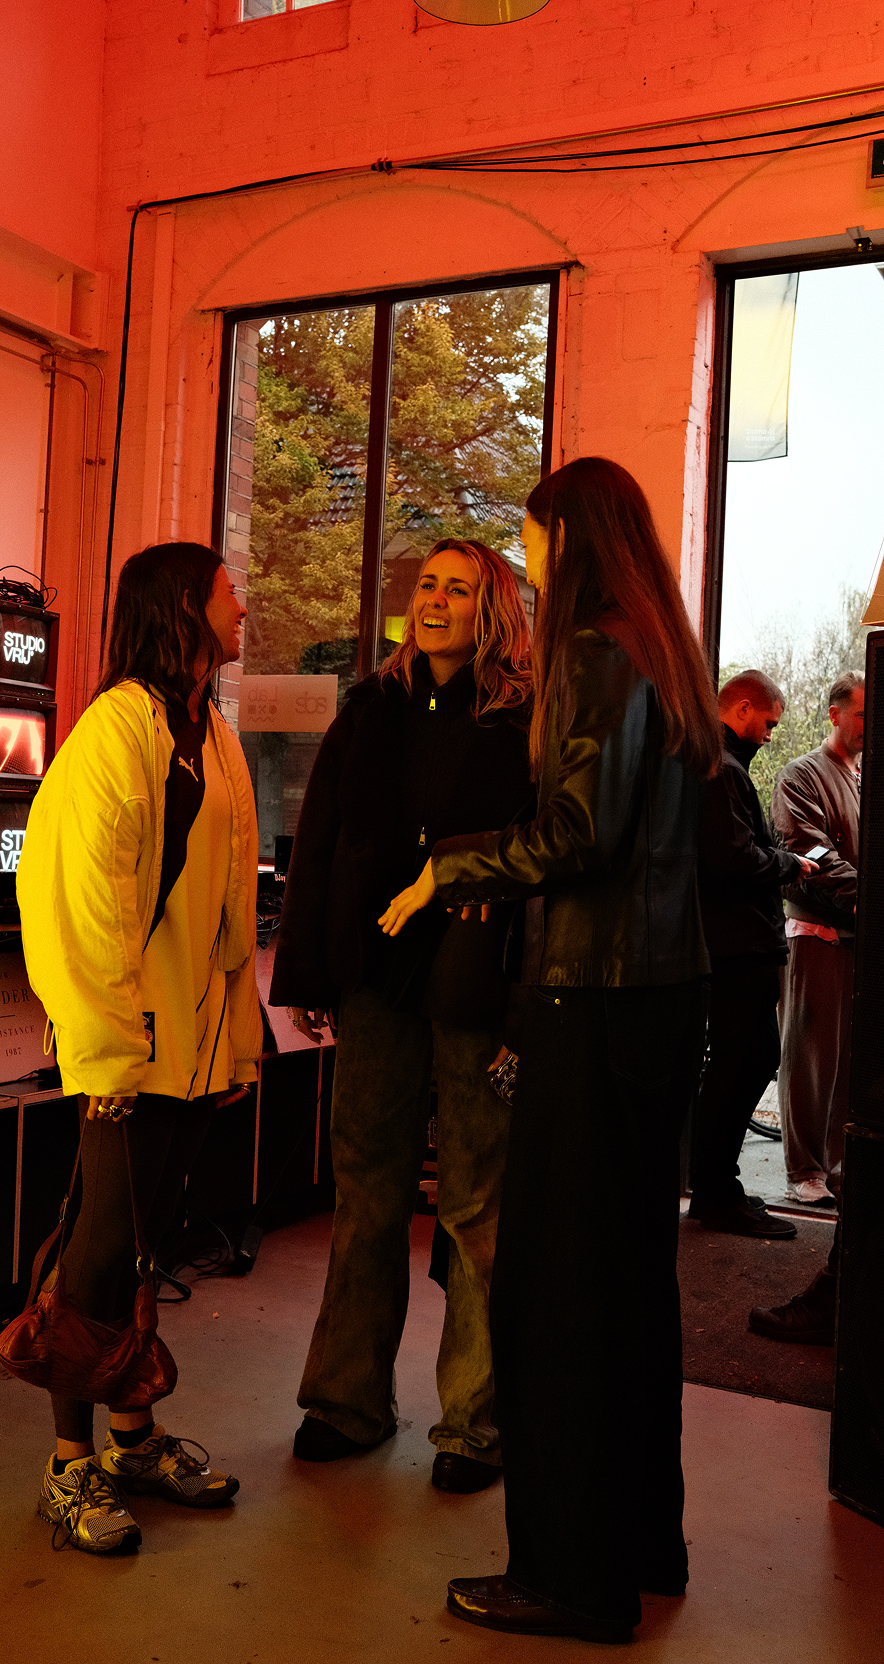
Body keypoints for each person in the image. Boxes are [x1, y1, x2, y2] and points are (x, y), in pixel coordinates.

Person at [380, 457, 722, 1643]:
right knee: (628, 1290)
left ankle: (570, 1578)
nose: (525, 561)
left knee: (553, 1300)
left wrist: (446, 868)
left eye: (530, 540)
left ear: (568, 536)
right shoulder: (664, 652)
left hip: (590, 1000)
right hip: (660, 1003)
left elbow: (574, 833)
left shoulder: (587, 652)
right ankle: (638, 1541)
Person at [270, 539, 535, 1493]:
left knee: (474, 1205)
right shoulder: (368, 710)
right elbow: (322, 847)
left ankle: (473, 1424)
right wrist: (305, 976)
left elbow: (540, 861)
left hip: (475, 983)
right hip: (376, 984)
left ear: (490, 610)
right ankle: (346, 1401)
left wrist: (529, 1003)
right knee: (367, 1189)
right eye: (426, 585)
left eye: (456, 590)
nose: (433, 601)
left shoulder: (522, 719)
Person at [16, 542, 261, 1553]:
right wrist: (110, 1051)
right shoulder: (114, 732)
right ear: (183, 609)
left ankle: (131, 1436)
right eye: (226, 590)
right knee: (97, 1257)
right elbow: (75, 903)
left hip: (185, 1050)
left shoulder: (203, 729)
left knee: (145, 1247)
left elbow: (226, 914)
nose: (241, 604)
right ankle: (66, 1464)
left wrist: (231, 1042)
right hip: (130, 1051)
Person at [688, 670, 814, 1238]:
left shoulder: (720, 767)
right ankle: (714, 1192)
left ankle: (721, 1184)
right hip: (738, 949)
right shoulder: (721, 771)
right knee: (739, 1066)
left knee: (751, 1060)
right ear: (740, 708)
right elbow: (732, 861)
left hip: (739, 945)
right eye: (768, 723)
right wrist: (790, 864)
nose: (769, 735)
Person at [770, 670, 864, 1205]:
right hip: (816, 935)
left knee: (848, 1061)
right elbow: (813, 857)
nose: (868, 725)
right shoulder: (800, 775)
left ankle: (833, 1165)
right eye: (860, 713)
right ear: (833, 714)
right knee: (809, 1057)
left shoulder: (864, 777)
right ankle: (803, 1170)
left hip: (857, 939)